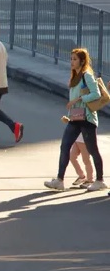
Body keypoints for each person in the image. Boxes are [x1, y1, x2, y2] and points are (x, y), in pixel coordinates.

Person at [44, 48, 107, 191]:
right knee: (64, 146)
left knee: (92, 150)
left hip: (87, 118)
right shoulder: (75, 76)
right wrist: (70, 114)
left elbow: (96, 94)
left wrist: (79, 99)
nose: (72, 62)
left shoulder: (87, 76)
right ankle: (59, 180)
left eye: (75, 59)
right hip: (75, 117)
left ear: (82, 61)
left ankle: (100, 180)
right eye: (71, 59)